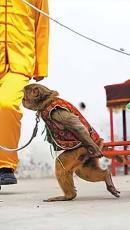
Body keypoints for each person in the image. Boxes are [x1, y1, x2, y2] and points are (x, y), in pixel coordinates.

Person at [0, 0, 49, 185]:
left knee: (5, 104)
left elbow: (42, 25)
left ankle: (5, 166)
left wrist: (40, 66)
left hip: (18, 62)